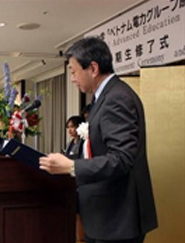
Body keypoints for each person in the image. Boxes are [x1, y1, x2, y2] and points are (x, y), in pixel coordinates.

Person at [39, 37, 157, 243]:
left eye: (74, 72)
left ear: (93, 68)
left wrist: (72, 166)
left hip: (117, 217)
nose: (73, 79)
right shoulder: (103, 97)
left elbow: (121, 158)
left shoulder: (116, 98)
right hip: (106, 213)